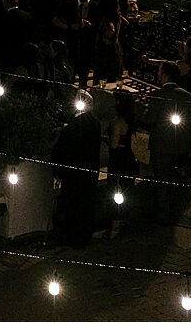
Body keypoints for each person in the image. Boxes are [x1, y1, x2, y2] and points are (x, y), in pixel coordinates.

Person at [147, 61, 191, 223]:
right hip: (181, 145)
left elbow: (150, 119)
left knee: (162, 179)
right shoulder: (187, 96)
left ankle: (162, 214)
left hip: (162, 144)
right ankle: (174, 208)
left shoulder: (159, 95)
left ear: (164, 75)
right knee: (175, 178)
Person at [51, 100, 102, 248]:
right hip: (89, 171)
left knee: (74, 205)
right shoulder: (94, 124)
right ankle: (85, 236)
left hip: (74, 173)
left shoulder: (70, 129)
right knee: (87, 203)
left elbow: (60, 151)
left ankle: (73, 237)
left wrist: (58, 171)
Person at [106, 89, 139, 238]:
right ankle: (125, 220)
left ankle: (115, 226)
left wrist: (104, 138)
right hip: (129, 158)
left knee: (115, 190)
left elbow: (113, 144)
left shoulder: (117, 122)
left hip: (118, 159)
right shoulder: (131, 120)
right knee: (127, 189)